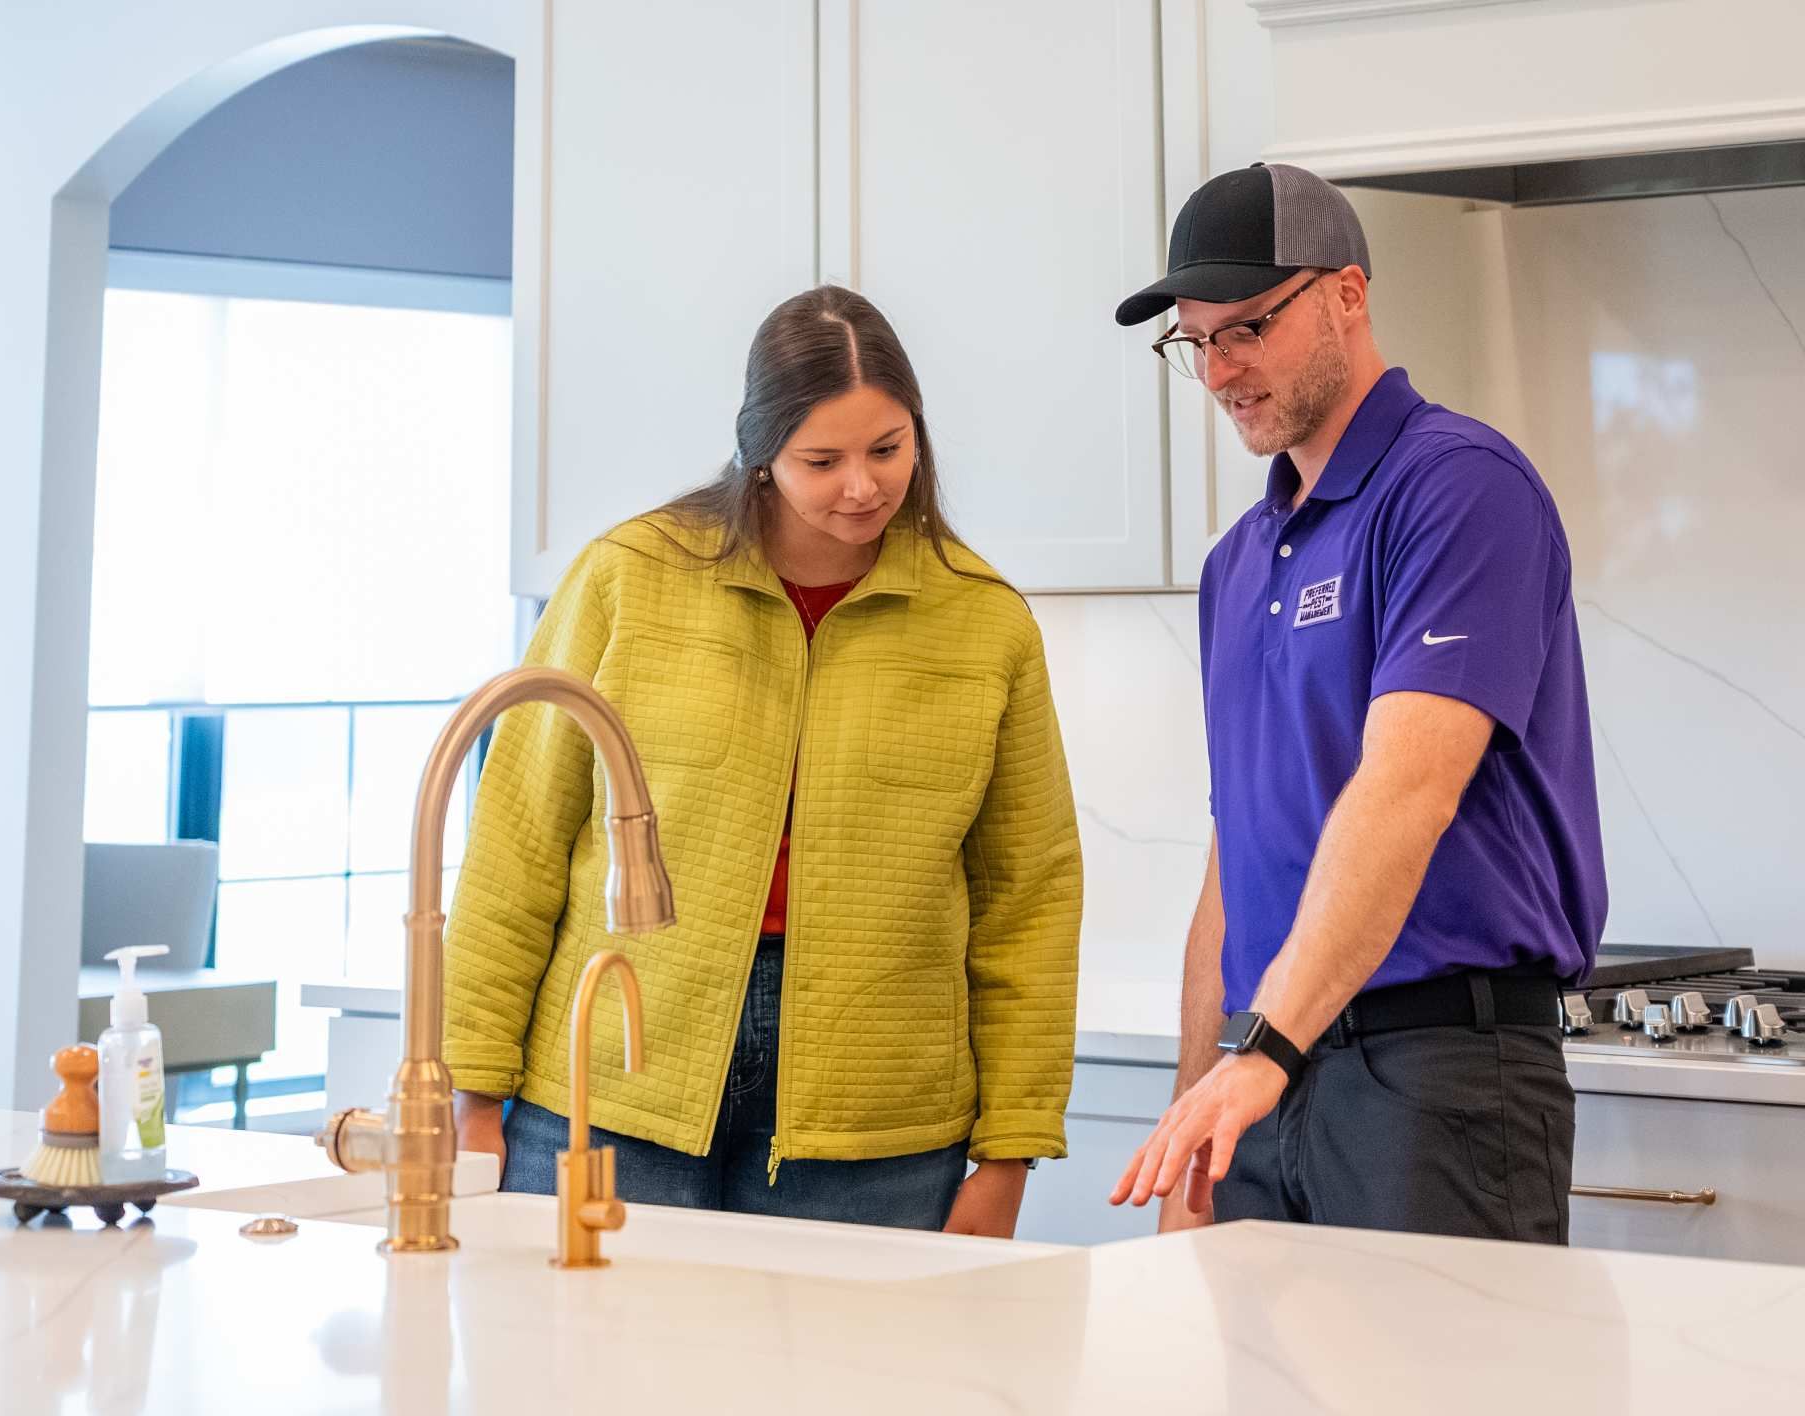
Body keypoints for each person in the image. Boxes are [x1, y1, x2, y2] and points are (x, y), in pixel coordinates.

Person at [441, 285, 1082, 1236]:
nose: (861, 487)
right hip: (616, 1082)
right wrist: (473, 1094)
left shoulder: (986, 622)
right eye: (821, 460)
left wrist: (1011, 1151)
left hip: (880, 1116)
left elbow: (1029, 899)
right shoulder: (627, 577)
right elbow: (519, 844)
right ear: (759, 451)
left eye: (887, 449)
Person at [1108, 164, 1606, 1241]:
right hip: (1262, 1077)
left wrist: (1265, 1053)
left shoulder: (1458, 488)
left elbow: (1408, 790)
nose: (1219, 371)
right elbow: (1231, 860)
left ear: (1347, 295)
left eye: (1247, 328)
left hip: (1435, 1075)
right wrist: (1197, 1114)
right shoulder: (1236, 563)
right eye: (1195, 341)